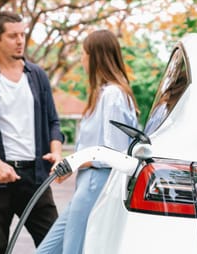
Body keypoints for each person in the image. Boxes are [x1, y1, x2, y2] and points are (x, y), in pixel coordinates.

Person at [0, 11, 64, 254]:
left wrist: (57, 154)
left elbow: (53, 122)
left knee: (56, 245)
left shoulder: (37, 76)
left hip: (35, 178)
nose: (20, 41)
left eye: (22, 34)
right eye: (12, 36)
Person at [36, 29, 139, 254]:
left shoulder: (113, 96)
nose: (82, 59)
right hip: (86, 183)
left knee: (73, 250)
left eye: (84, 54)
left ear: (95, 57)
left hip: (96, 184)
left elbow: (115, 153)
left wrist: (75, 162)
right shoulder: (101, 95)